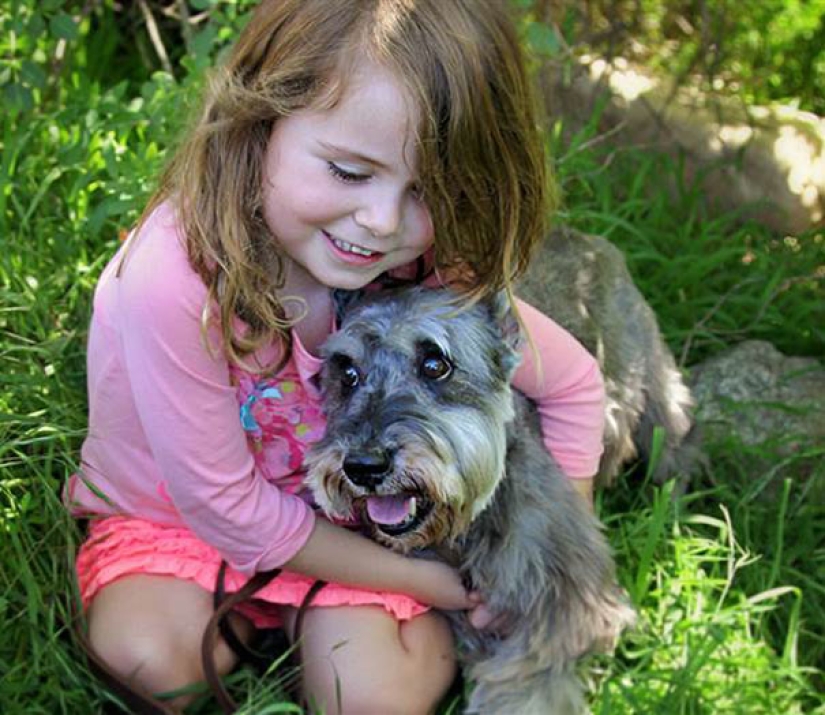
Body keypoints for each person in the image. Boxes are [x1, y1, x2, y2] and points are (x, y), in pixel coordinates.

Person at [66, 1, 605, 712]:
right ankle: (261, 621)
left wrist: (540, 552)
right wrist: (439, 584)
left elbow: (572, 385)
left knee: (373, 700)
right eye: (350, 172)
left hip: (354, 527)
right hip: (177, 519)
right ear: (260, 121)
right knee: (149, 663)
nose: (381, 221)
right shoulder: (173, 278)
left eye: (425, 191)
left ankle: (305, 624)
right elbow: (226, 507)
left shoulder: (426, 266)